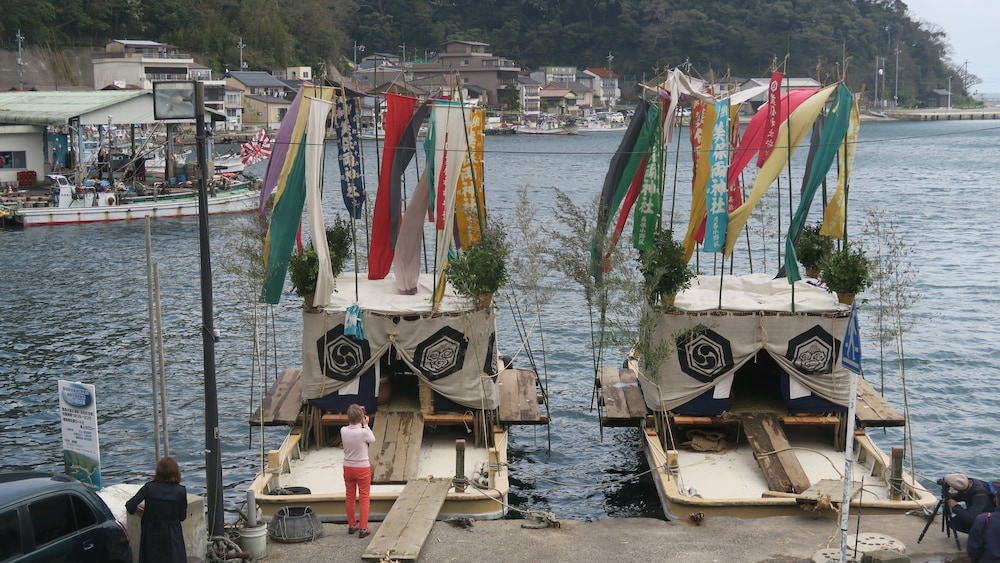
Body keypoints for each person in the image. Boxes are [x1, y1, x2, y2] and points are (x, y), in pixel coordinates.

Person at [125, 456, 188, 563]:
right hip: (173, 536)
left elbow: (130, 505)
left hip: (151, 534)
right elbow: (182, 517)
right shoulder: (180, 491)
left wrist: (141, 512)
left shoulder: (149, 488)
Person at [341, 404, 376, 538]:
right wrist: (366, 425)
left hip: (348, 467)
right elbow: (372, 439)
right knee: (364, 498)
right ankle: (363, 528)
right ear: (362, 417)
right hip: (362, 467)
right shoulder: (363, 432)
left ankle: (352, 524)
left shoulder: (343, 430)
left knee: (350, 496)